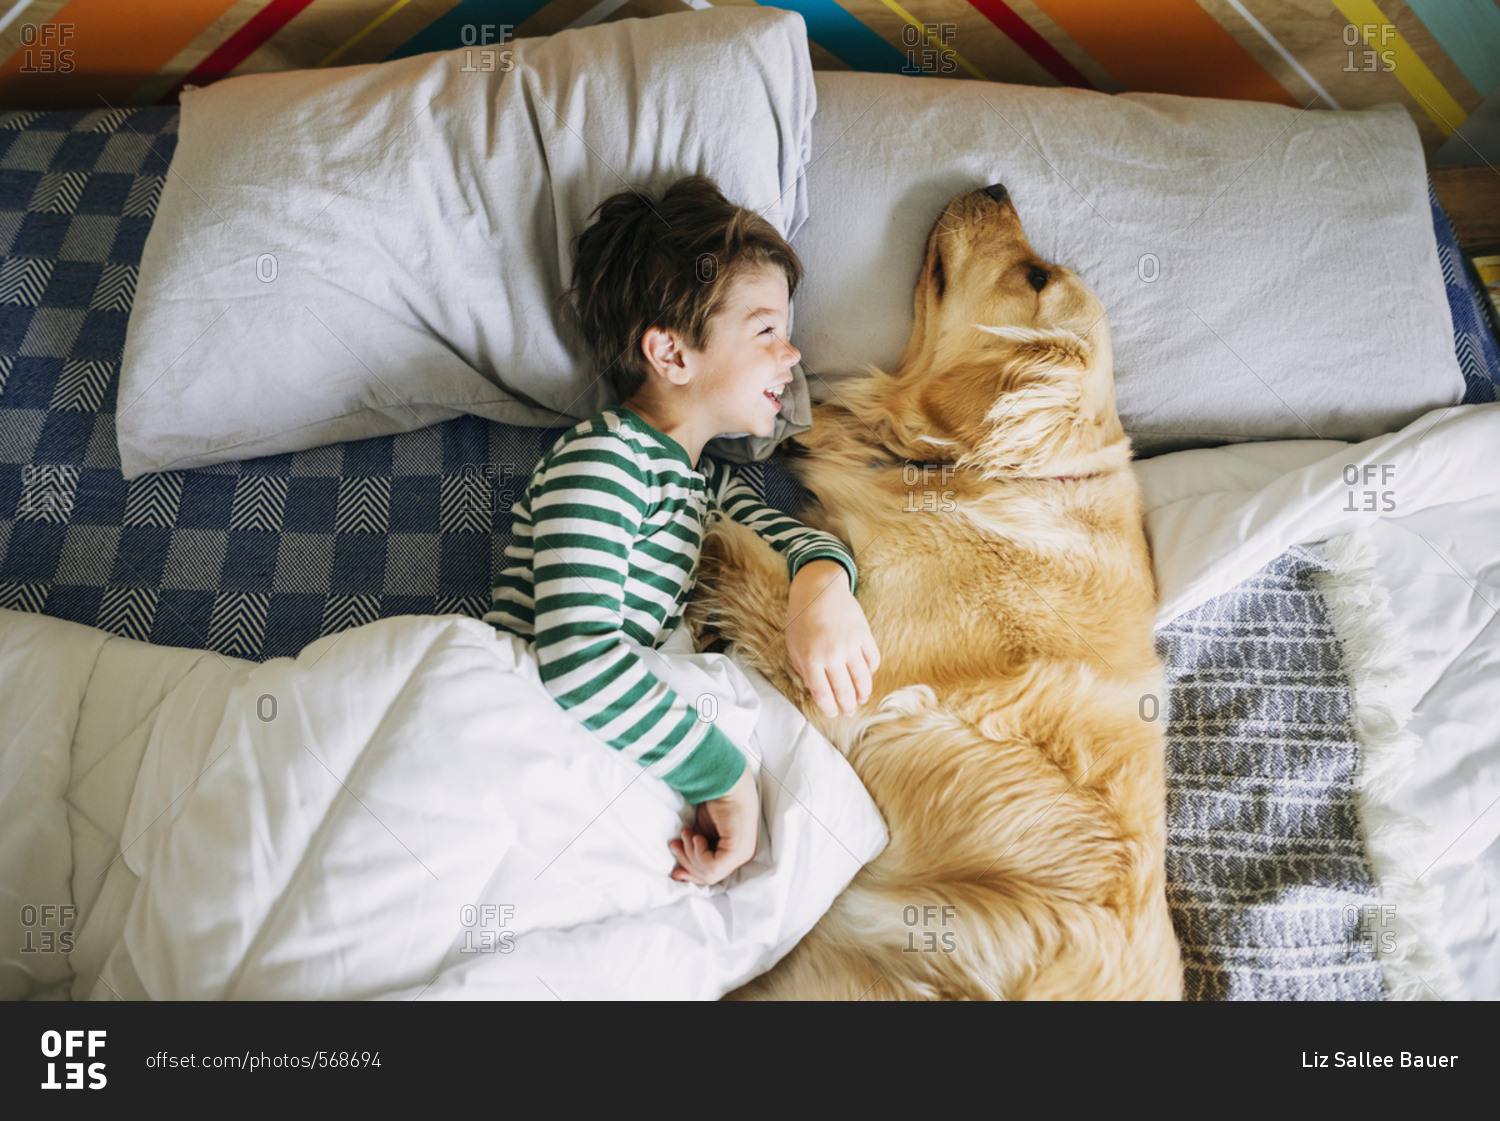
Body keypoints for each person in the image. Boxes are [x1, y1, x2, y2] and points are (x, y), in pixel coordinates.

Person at [484, 175, 880, 887]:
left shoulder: (703, 487)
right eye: (766, 331)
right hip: (526, 722)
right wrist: (723, 779)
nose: (794, 355)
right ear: (671, 355)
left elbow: (798, 539)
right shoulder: (604, 457)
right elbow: (577, 658)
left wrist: (822, 588)